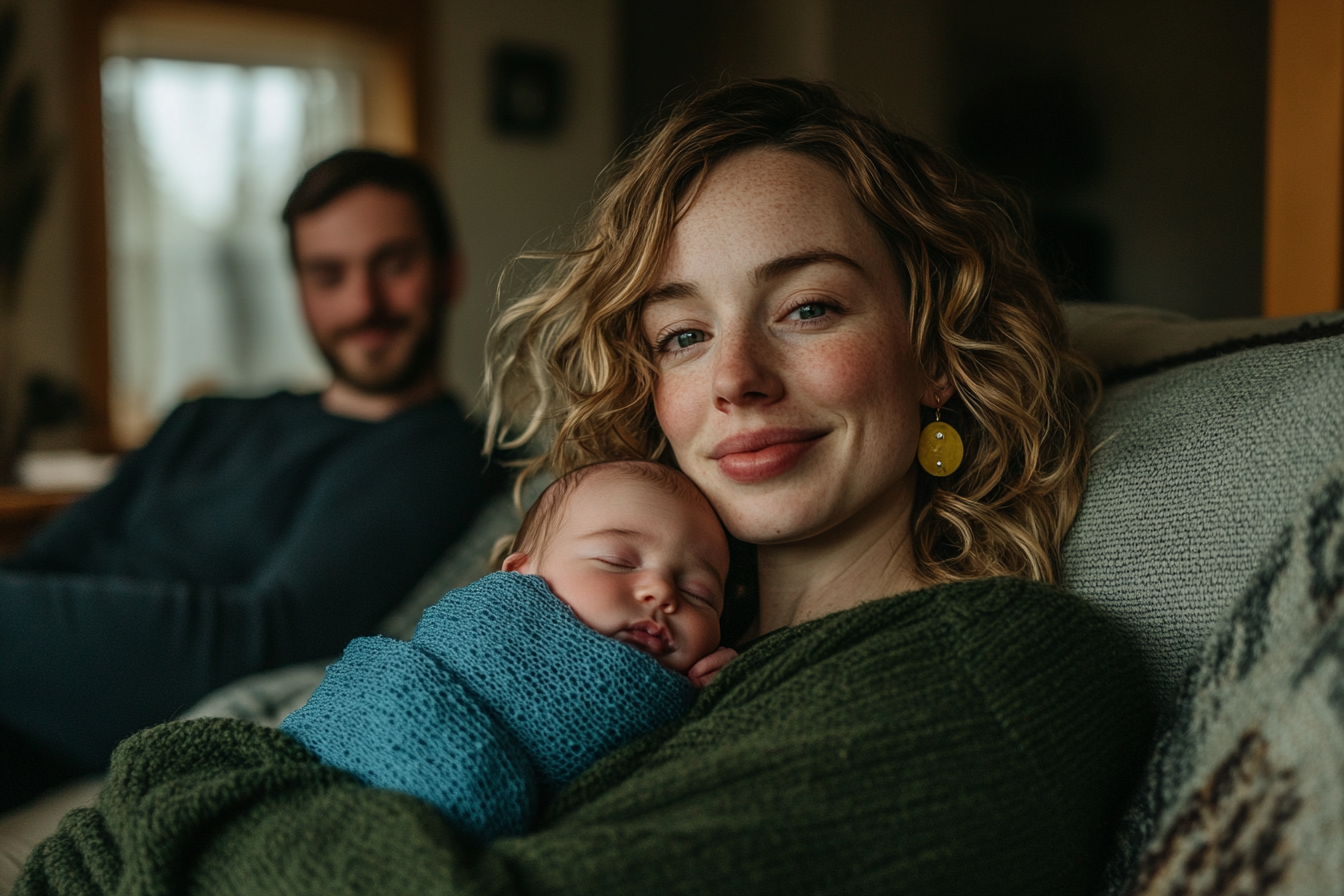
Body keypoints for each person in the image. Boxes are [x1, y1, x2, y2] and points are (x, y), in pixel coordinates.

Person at [16, 79, 1155, 895]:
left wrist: (173, 785)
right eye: (681, 333)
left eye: (807, 307)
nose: (737, 379)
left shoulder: (1007, 659)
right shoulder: (611, 624)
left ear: (936, 348)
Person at [0, 149, 502, 809]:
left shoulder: (439, 451)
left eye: (394, 264)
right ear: (299, 290)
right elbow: (48, 560)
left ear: (449, 272)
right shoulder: (205, 418)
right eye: (328, 275)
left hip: (122, 704)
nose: (364, 302)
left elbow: (270, 636)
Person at [280, 460, 734, 841]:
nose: (661, 592)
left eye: (698, 593)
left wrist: (708, 702)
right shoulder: (484, 626)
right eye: (617, 562)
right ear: (522, 574)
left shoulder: (690, 701)